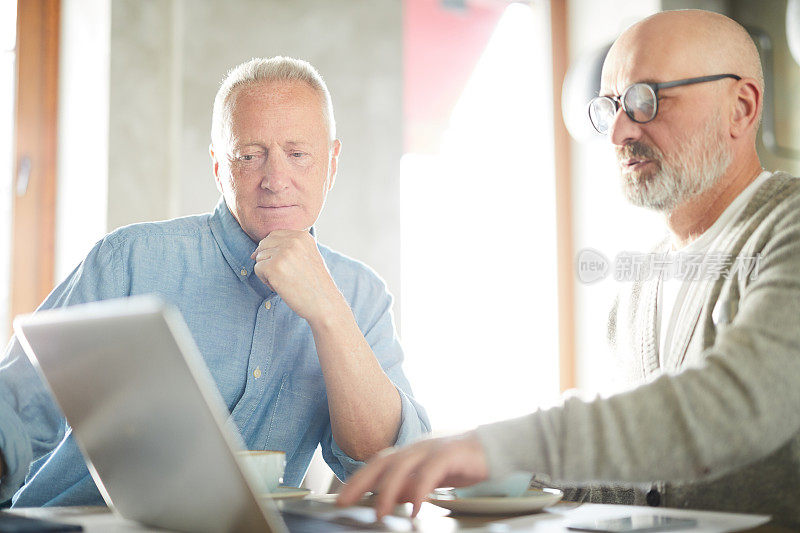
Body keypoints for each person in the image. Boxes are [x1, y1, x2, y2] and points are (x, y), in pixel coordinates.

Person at [338, 9, 800, 526]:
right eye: (609, 108)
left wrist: (501, 447)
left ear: (741, 107)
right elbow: (641, 471)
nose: (619, 132)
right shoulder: (638, 284)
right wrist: (460, 466)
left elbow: (736, 405)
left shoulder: (790, 228)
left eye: (647, 100)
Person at [0, 56, 429, 506]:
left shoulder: (362, 296)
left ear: (332, 163)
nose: (276, 180)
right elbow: (16, 410)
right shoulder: (131, 261)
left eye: (298, 154)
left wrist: (329, 315)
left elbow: (390, 464)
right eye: (249, 155)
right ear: (219, 166)